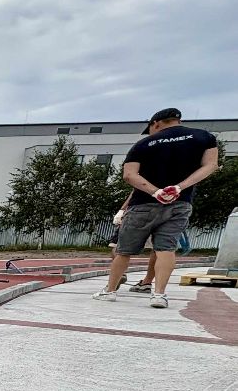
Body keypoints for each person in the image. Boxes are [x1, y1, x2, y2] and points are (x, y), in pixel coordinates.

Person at [93, 108, 218, 308]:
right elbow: (210, 165)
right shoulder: (204, 138)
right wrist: (179, 187)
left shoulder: (144, 143)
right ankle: (159, 295)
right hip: (180, 203)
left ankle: (110, 291)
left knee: (123, 250)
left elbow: (129, 175)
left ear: (156, 123)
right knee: (166, 249)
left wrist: (155, 192)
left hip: (143, 203)